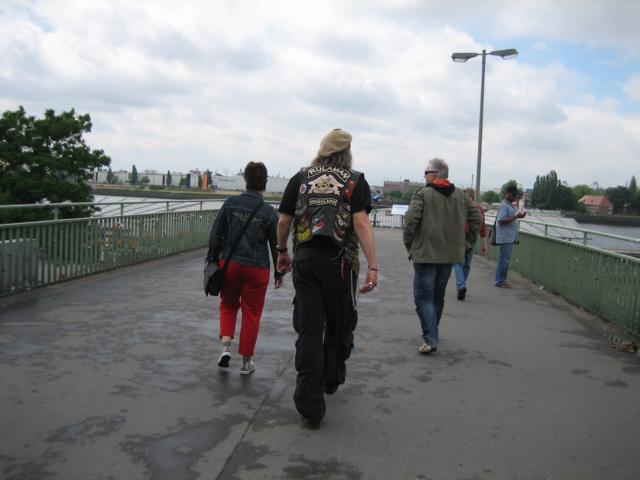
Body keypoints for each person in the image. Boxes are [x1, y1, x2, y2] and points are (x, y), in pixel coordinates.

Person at [276, 128, 378, 429]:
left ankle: (310, 407)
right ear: (347, 154)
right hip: (341, 264)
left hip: (306, 260)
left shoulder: (300, 178)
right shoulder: (355, 180)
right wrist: (373, 266)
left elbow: (284, 221)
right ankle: (331, 377)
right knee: (339, 324)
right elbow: (361, 223)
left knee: (309, 330)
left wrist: (282, 252)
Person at [206, 162, 284, 375]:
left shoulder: (230, 203)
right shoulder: (269, 212)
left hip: (230, 264)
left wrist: (212, 259)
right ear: (265, 182)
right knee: (252, 314)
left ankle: (225, 347)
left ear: (245, 179)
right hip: (257, 268)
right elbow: (276, 245)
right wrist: (279, 272)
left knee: (228, 304)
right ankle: (246, 362)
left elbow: (216, 233)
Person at [403, 158, 481, 355]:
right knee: (437, 297)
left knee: (423, 298)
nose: (424, 176)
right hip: (448, 256)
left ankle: (430, 338)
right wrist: (466, 243)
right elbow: (476, 219)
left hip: (425, 255)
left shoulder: (423, 194)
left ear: (435, 174)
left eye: (426, 173)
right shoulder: (461, 196)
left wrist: (410, 244)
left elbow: (410, 222)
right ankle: (433, 332)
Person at [453, 188, 488, 300]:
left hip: (460, 238)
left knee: (457, 262)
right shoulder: (479, 209)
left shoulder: (460, 207)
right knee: (467, 264)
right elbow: (482, 228)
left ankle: (461, 285)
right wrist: (485, 244)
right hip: (472, 239)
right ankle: (462, 285)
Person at [495, 184, 526, 288]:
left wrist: (519, 216)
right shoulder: (504, 206)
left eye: (515, 196)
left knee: (505, 259)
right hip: (505, 237)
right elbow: (501, 221)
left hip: (509, 237)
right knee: (504, 260)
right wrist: (515, 216)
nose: (514, 197)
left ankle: (501, 280)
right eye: (513, 195)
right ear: (508, 194)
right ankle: (500, 281)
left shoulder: (510, 205)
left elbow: (512, 216)